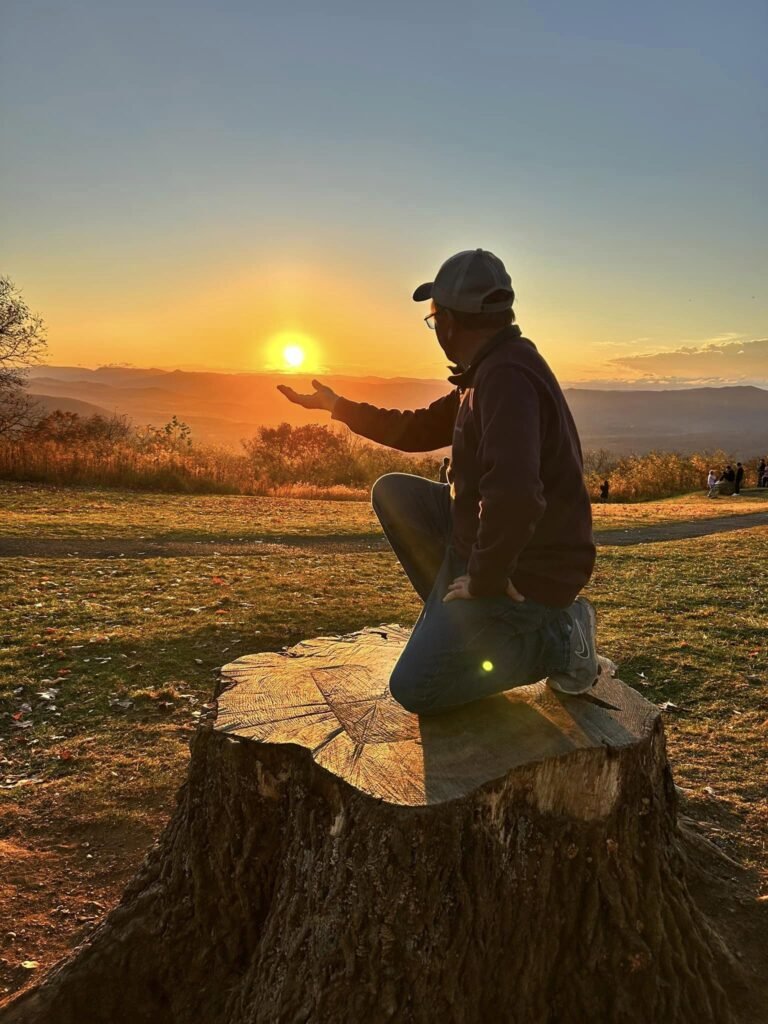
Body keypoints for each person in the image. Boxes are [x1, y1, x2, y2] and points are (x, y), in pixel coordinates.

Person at [278, 248, 605, 714]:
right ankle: (460, 623)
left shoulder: (506, 378)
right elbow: (417, 429)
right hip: (486, 539)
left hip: (532, 566)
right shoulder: (485, 373)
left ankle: (560, 637)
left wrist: (487, 579)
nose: (435, 328)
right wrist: (337, 406)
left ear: (450, 322)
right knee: (393, 493)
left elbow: (515, 497)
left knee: (416, 688)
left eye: (433, 317)